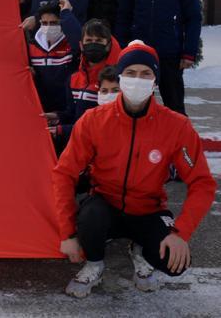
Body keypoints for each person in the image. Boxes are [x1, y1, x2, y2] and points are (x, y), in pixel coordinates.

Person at [53, 40, 216, 298]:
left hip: (148, 210)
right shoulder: (94, 121)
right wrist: (67, 232)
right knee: (90, 218)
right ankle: (95, 262)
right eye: (130, 73)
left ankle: (139, 249)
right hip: (104, 204)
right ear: (120, 76)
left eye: (145, 74)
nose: (137, 80)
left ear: (155, 80)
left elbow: (203, 183)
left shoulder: (176, 126)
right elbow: (64, 173)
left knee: (176, 264)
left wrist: (180, 233)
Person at [115, 0, 202, 116]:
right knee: (140, 104)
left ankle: (180, 143)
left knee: (175, 106)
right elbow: (123, 16)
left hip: (170, 54)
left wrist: (189, 52)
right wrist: (123, 48)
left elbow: (193, 17)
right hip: (139, 53)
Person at [45, 19, 121, 148]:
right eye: (89, 41)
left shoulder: (117, 80)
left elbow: (105, 123)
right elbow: (72, 114)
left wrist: (64, 130)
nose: (93, 45)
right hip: (77, 145)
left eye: (98, 41)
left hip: (103, 145)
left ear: (108, 45)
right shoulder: (74, 78)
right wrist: (58, 117)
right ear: (81, 45)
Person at [28, 0, 82, 114]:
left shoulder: (71, 44)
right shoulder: (32, 46)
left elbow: (81, 42)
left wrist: (66, 12)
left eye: (53, 23)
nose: (48, 27)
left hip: (66, 109)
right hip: (40, 108)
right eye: (44, 23)